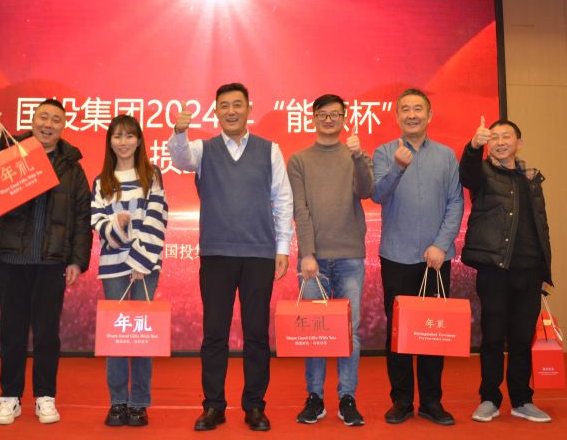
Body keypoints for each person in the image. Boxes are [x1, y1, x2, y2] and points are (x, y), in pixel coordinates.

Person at [168, 83, 293, 432]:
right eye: (224, 105)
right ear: (216, 111)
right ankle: (213, 406)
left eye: (238, 104)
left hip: (258, 255)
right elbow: (179, 158)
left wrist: (283, 248)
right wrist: (179, 131)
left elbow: (283, 200)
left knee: (256, 334)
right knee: (214, 334)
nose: (231, 111)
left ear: (249, 109)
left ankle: (254, 406)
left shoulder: (270, 150)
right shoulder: (202, 149)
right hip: (217, 254)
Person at [0, 99, 92, 426]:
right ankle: (9, 396)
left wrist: (77, 261)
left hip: (51, 261)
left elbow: (82, 217)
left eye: (56, 119)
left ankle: (45, 396)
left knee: (47, 333)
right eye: (43, 117)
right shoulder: (11, 150)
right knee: (11, 330)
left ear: (63, 126)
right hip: (12, 257)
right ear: (33, 119)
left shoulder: (72, 167)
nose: (48, 124)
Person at [372, 88, 463, 426]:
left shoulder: (446, 155)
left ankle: (431, 401)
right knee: (398, 333)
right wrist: (397, 167)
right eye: (406, 109)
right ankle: (401, 401)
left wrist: (441, 244)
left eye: (418, 109)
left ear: (429, 115)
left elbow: (456, 202)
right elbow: (377, 194)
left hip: (436, 260)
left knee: (433, 332)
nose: (412, 115)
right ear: (397, 116)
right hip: (396, 256)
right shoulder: (384, 152)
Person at [286, 94, 373, 427]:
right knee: (314, 331)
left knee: (350, 331)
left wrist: (359, 157)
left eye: (335, 114)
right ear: (313, 118)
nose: (328, 119)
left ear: (344, 118)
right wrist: (307, 253)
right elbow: (300, 209)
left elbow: (365, 191)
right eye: (322, 114)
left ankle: (347, 397)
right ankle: (315, 397)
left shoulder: (355, 154)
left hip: (350, 255)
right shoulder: (299, 160)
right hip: (314, 261)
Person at [460, 118, 553, 423]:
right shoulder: (483, 172)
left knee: (522, 339)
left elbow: (542, 227)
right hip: (495, 269)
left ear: (519, 143)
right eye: (494, 137)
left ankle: (522, 400)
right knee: (493, 338)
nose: (500, 142)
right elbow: (467, 172)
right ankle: (489, 398)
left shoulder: (532, 179)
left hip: (529, 270)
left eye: (506, 137)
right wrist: (474, 147)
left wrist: (544, 270)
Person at [91, 115, 168, 427]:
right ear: (110, 142)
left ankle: (139, 402)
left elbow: (157, 217)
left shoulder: (152, 174)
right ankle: (118, 401)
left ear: (139, 141)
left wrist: (139, 261)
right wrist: (116, 225)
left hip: (145, 267)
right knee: (117, 336)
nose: (123, 142)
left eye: (129, 136)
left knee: (142, 336)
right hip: (112, 268)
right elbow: (97, 221)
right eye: (117, 136)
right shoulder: (101, 181)